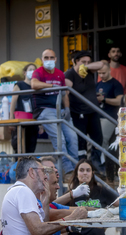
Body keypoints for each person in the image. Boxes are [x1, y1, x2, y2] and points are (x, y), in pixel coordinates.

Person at [0, 156, 87, 235]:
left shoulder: (20, 191)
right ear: (32, 172)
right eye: (43, 171)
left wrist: (45, 204)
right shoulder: (23, 191)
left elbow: (44, 228)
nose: (46, 177)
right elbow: (38, 230)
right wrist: (71, 218)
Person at [31, 49, 78, 183]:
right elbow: (34, 84)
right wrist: (51, 86)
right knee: (60, 140)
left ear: (56, 59)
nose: (49, 60)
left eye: (51, 57)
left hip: (60, 110)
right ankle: (68, 171)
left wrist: (67, 108)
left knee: (72, 138)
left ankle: (76, 170)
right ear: (42, 59)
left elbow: (64, 94)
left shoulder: (59, 74)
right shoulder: (38, 72)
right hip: (44, 110)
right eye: (46, 57)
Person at [55, 159, 119, 235]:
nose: (85, 173)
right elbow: (63, 222)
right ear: (76, 174)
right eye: (81, 170)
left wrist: (106, 223)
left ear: (92, 173)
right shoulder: (70, 195)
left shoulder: (101, 191)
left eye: (88, 170)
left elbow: (120, 205)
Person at [65, 50, 105, 177]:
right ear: (76, 61)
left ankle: (96, 168)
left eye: (88, 62)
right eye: (83, 62)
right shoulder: (70, 74)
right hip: (78, 112)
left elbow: (102, 64)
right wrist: (66, 110)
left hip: (93, 111)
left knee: (98, 139)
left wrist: (86, 66)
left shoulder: (88, 70)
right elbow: (66, 92)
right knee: (80, 142)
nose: (86, 64)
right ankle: (81, 170)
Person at [9, 63, 39, 153]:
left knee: (31, 148)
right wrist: (11, 120)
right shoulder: (19, 85)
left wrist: (41, 124)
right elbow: (13, 102)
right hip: (20, 121)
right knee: (19, 148)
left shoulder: (36, 87)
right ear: (24, 72)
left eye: (34, 70)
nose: (32, 72)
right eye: (30, 70)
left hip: (33, 121)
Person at [96, 60, 123, 150]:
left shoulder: (116, 84)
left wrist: (104, 99)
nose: (101, 75)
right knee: (92, 141)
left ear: (109, 70)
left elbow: (120, 101)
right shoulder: (98, 84)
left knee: (103, 140)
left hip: (109, 116)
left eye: (104, 73)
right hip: (97, 116)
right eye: (99, 73)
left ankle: (105, 163)